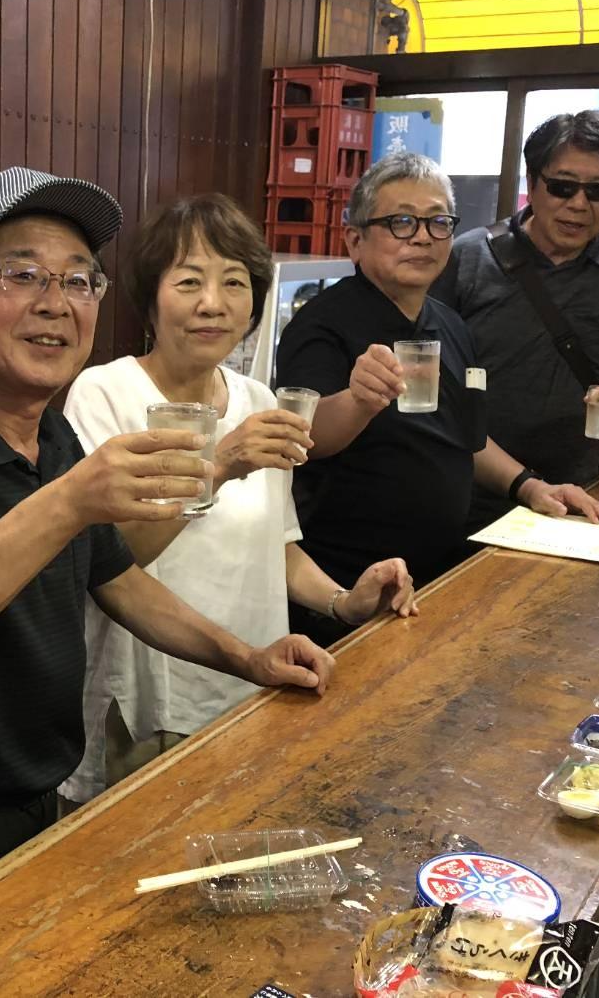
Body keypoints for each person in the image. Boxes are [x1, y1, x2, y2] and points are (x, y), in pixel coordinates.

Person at [0, 167, 335, 953]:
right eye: (21, 274)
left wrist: (249, 657)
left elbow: (120, 580)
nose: (55, 302)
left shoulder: (52, 436)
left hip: (45, 798)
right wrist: (68, 501)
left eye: (77, 280)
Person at [58, 194, 418, 807]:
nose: (212, 304)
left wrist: (342, 601)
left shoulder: (258, 400)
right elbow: (107, 562)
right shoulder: (104, 393)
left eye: (233, 283)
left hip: (260, 686)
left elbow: (276, 550)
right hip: (151, 709)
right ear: (151, 296)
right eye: (190, 281)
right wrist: (220, 466)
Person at [276, 153, 599, 634]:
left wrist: (531, 486)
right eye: (401, 222)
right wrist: (358, 401)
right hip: (350, 584)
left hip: (439, 573)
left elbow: (466, 436)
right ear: (355, 239)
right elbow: (303, 437)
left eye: (438, 223)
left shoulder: (449, 323)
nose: (422, 237)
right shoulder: (323, 323)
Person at [435, 110, 599, 529]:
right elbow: (433, 381)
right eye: (562, 187)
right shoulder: (467, 256)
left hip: (582, 492)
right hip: (468, 482)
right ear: (532, 184)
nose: (579, 205)